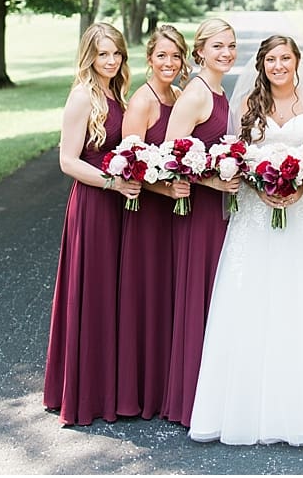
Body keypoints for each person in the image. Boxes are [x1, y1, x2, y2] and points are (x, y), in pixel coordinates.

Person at [189, 35, 303, 446]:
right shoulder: (247, 105)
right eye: (271, 59)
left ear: (297, 62)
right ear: (261, 64)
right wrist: (254, 181)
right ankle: (240, 408)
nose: (278, 65)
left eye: (285, 58)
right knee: (250, 299)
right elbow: (237, 158)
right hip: (255, 215)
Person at [44, 22, 138, 426]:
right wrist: (113, 183)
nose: (111, 60)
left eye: (116, 53)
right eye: (103, 54)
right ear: (89, 56)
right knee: (93, 293)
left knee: (114, 296)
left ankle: (109, 388)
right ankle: (85, 394)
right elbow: (67, 160)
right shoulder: (83, 96)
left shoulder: (115, 94)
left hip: (118, 203)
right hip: (95, 205)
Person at [158, 17, 241, 425]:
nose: (226, 53)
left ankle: (216, 390)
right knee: (200, 295)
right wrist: (212, 181)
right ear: (200, 51)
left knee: (219, 297)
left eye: (231, 45)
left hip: (221, 211)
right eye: (218, 46)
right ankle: (190, 397)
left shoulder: (219, 88)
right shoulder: (195, 93)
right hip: (202, 213)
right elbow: (171, 156)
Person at [116, 23, 191, 419]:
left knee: (168, 297)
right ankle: (139, 391)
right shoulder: (142, 101)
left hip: (173, 217)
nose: (169, 62)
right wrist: (165, 191)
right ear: (149, 59)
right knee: (146, 297)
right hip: (147, 213)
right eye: (161, 56)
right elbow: (129, 166)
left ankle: (166, 386)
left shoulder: (178, 95)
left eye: (175, 56)